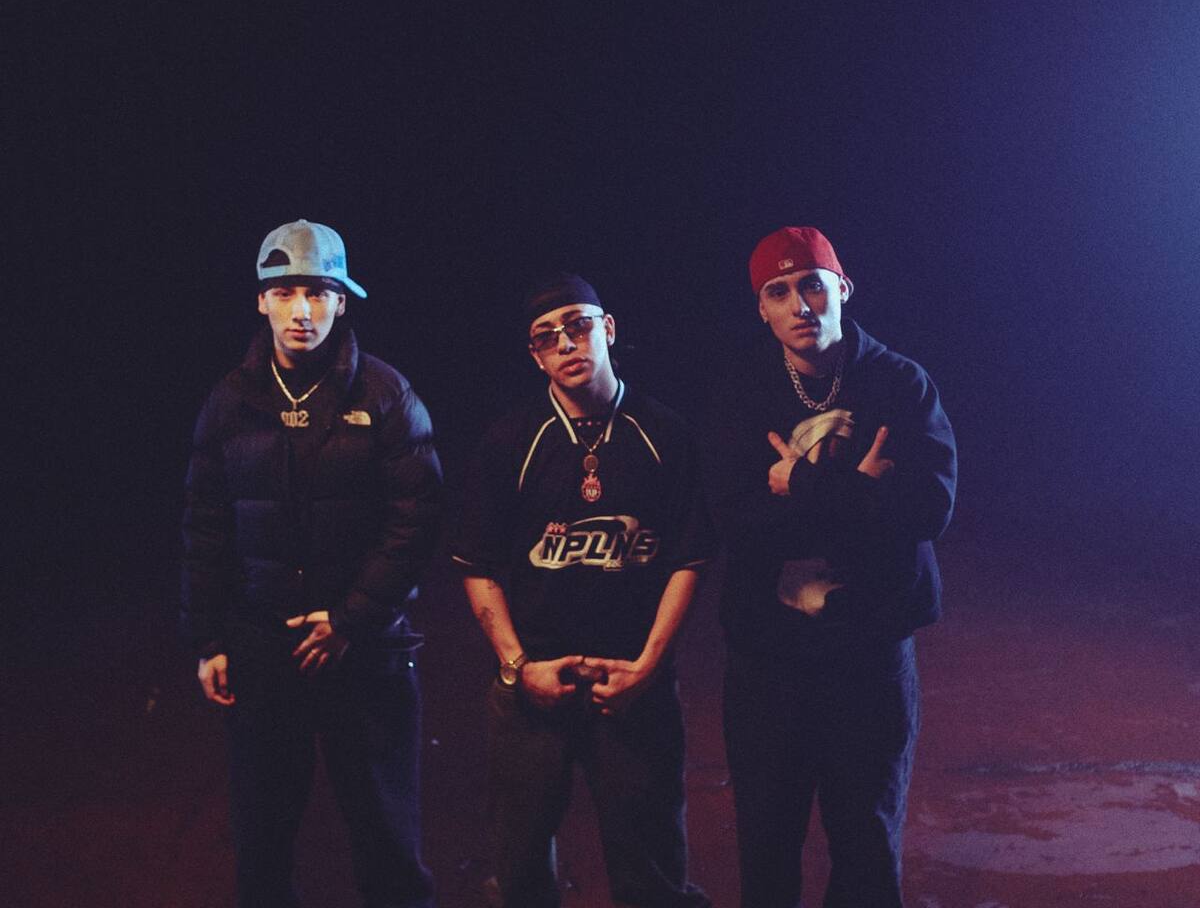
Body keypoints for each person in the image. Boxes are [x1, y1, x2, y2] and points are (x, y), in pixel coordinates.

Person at [180, 219, 442, 908]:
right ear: (261, 301)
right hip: (264, 647)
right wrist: (208, 640)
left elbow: (416, 522)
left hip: (365, 650)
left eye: (319, 292)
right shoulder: (230, 403)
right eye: (286, 292)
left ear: (342, 301)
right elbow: (206, 526)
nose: (303, 310)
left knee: (387, 840)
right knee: (262, 845)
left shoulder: (386, 395)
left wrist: (351, 620)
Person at [452, 273, 713, 908]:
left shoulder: (664, 434)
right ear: (535, 355)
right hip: (536, 685)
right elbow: (478, 566)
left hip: (633, 686)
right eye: (548, 336)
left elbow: (688, 560)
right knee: (519, 871)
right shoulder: (509, 441)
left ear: (609, 329)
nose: (566, 343)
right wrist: (519, 667)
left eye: (578, 325)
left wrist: (648, 666)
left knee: (651, 875)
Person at [716, 226, 957, 908]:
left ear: (843, 290)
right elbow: (733, 519)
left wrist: (804, 485)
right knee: (767, 844)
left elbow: (930, 509)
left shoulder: (900, 383)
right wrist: (863, 497)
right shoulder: (742, 391)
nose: (800, 305)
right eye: (779, 292)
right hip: (770, 659)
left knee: (867, 847)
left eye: (813, 286)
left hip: (869, 653)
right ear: (762, 309)